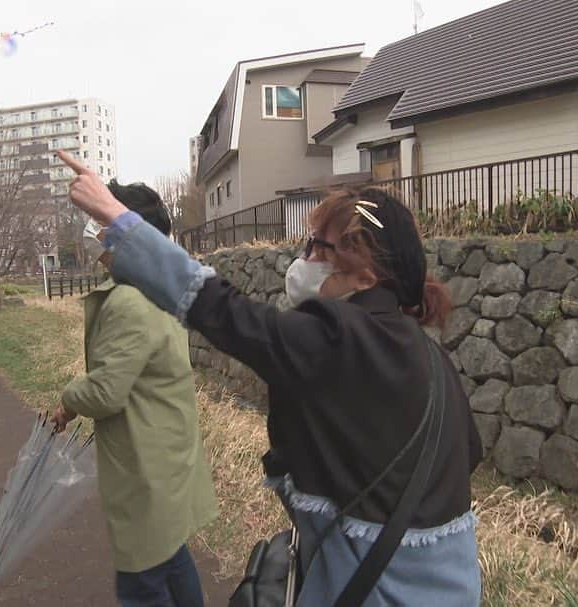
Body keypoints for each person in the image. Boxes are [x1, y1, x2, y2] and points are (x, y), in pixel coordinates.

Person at [58, 150, 483, 606]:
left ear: (364, 276)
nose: (305, 258)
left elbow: (223, 310)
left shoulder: (339, 336)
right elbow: (469, 455)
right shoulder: (430, 357)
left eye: (319, 246)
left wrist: (119, 220)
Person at [50, 179, 217, 607]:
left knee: (141, 581)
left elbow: (106, 392)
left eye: (101, 220)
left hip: (146, 466)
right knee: (170, 556)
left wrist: (69, 399)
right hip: (167, 453)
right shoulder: (162, 290)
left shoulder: (129, 301)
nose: (94, 231)